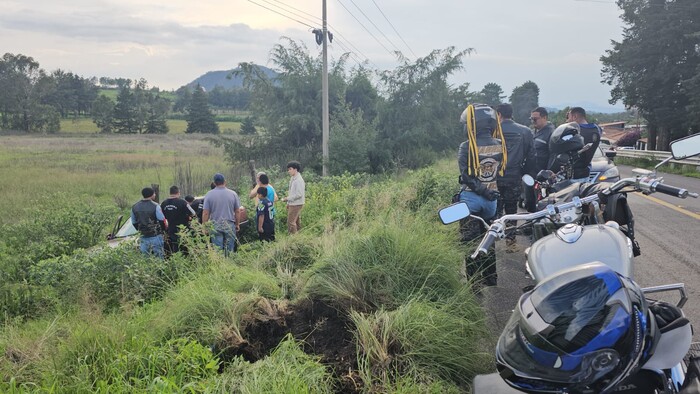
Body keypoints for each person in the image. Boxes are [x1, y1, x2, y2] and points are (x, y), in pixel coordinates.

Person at [457, 103, 508, 286]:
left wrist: (482, 191)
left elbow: (466, 177)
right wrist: (491, 193)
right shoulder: (499, 144)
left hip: (472, 199)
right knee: (489, 240)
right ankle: (490, 278)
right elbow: (501, 174)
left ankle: (473, 282)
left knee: (470, 243)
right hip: (491, 202)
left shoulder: (466, 146)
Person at [202, 173, 242, 255]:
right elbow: (237, 211)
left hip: (215, 225)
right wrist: (237, 224)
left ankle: (220, 265)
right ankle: (229, 264)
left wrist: (205, 226)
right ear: (225, 181)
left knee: (217, 250)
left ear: (214, 183)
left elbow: (206, 213)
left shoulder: (209, 194)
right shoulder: (233, 194)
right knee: (230, 248)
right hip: (229, 224)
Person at [526, 107, 555, 212]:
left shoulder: (551, 133)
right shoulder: (533, 132)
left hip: (542, 175)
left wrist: (548, 172)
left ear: (544, 118)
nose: (533, 121)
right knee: (529, 202)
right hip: (531, 173)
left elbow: (553, 155)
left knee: (541, 205)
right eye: (531, 119)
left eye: (535, 119)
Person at [567, 107, 602, 183]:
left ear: (575, 117)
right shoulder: (597, 129)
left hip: (572, 173)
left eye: (568, 117)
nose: (567, 120)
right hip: (586, 172)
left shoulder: (573, 131)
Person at [131, 187, 166, 259]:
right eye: (154, 193)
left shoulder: (134, 206)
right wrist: (163, 231)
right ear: (152, 194)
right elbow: (162, 220)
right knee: (159, 256)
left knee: (145, 258)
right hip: (155, 235)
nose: (155, 195)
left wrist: (140, 230)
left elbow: (134, 222)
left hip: (143, 236)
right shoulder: (156, 206)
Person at [161, 185, 195, 255]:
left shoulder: (163, 203)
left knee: (175, 246)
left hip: (171, 228)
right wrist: (189, 217)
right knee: (185, 247)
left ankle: (177, 259)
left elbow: (162, 217)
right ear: (178, 193)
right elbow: (193, 213)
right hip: (183, 229)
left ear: (170, 193)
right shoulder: (183, 202)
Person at [281, 161, 305, 234]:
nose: (289, 171)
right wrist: (288, 203)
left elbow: (299, 194)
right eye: (288, 169)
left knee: (291, 222)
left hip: (296, 204)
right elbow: (292, 192)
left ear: (295, 169)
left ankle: (293, 239)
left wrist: (287, 199)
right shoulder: (293, 178)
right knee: (296, 221)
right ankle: (299, 237)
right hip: (293, 203)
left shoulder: (298, 180)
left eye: (290, 169)